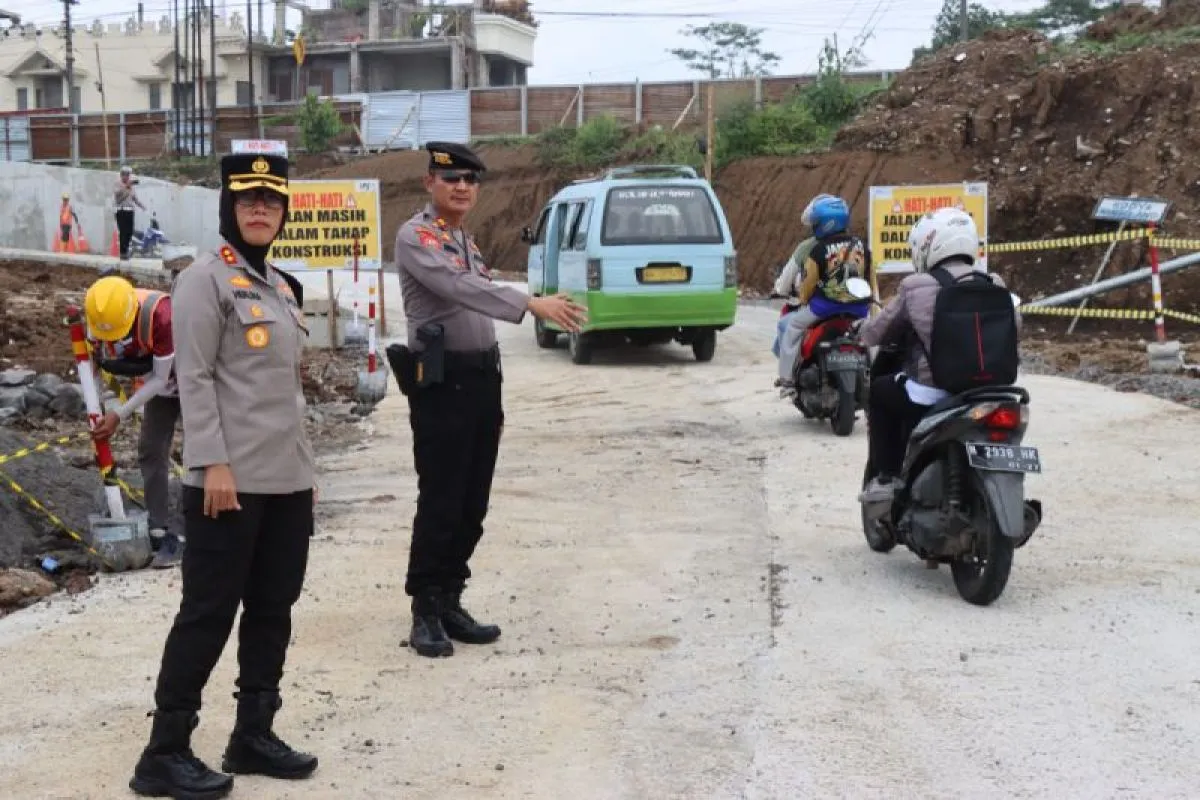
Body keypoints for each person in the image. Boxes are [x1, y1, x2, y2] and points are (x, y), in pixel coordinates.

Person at [129, 151, 318, 799]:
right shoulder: (204, 281)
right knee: (207, 613)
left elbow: (287, 392)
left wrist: (306, 471)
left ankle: (252, 734)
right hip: (227, 483)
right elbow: (197, 380)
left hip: (286, 483)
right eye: (248, 201)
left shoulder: (283, 288)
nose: (261, 210)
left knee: (273, 609)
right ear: (229, 209)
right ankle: (165, 751)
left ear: (284, 212)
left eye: (272, 201)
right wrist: (210, 462)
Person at [386, 141, 587, 659]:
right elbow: (460, 289)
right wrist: (530, 303)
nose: (462, 188)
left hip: (479, 381)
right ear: (430, 181)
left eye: (471, 181)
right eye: (451, 178)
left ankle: (451, 598)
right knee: (442, 500)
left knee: (473, 502)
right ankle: (425, 609)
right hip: (441, 384)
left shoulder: (463, 239)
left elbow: (475, 291)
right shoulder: (418, 236)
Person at [856, 206, 1022, 504]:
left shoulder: (916, 286)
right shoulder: (994, 283)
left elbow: (876, 333)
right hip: (992, 391)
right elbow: (1015, 326)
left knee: (881, 392)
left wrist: (861, 331)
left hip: (934, 394)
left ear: (927, 246)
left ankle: (887, 477)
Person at [84, 274, 184, 569]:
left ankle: (186, 532)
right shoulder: (99, 315)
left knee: (199, 454)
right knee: (151, 449)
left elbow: (161, 378)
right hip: (159, 387)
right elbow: (92, 365)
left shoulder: (162, 315)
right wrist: (98, 407)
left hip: (193, 380)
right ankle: (158, 528)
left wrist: (119, 414)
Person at [774, 195, 876, 395]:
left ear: (825, 224)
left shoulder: (817, 249)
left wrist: (804, 300)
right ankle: (874, 374)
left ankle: (786, 379)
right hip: (858, 308)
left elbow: (809, 283)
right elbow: (870, 277)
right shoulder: (862, 246)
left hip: (824, 308)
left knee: (793, 327)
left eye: (816, 223)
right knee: (871, 334)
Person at [770, 193, 833, 358]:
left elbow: (786, 282)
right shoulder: (855, 244)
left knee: (787, 325)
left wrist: (780, 288)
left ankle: (789, 378)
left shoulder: (807, 248)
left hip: (818, 308)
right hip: (854, 309)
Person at [115, 165, 146, 261]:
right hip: (121, 211)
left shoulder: (131, 187)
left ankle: (126, 250)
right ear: (121, 175)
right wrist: (126, 188)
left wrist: (142, 206)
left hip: (130, 212)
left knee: (129, 232)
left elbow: (135, 199)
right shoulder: (118, 185)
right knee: (123, 232)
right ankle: (123, 253)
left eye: (128, 175)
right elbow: (118, 199)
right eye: (124, 175)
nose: (126, 177)